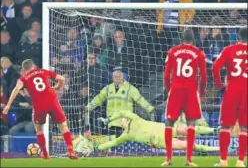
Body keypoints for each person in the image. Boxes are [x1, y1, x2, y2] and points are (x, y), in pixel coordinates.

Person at [2, 59, 78, 160]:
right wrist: (58, 86)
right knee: (63, 126)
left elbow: (16, 89)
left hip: (39, 104)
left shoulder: (23, 78)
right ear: (33, 66)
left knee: (39, 129)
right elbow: (62, 78)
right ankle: (70, 151)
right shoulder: (43, 71)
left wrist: (8, 105)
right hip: (52, 100)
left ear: (24, 69)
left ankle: (45, 153)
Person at [73, 111, 219, 156]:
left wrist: (108, 119)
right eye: (121, 120)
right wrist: (99, 148)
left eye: (123, 119)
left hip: (164, 128)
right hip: (161, 141)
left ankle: (214, 130)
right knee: (188, 145)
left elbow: (122, 112)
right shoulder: (126, 135)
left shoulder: (135, 118)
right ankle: (217, 149)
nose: (123, 119)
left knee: (188, 129)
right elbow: (112, 142)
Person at [163, 29, 207, 166]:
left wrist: (170, 90)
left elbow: (166, 75)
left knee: (169, 123)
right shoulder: (199, 53)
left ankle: (168, 159)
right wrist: (201, 93)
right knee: (191, 124)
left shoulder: (172, 51)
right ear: (193, 39)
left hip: (176, 90)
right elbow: (204, 77)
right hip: (191, 91)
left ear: (181, 38)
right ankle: (189, 160)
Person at [212, 28, 247, 167]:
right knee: (245, 127)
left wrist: (220, 86)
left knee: (225, 126)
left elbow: (215, 67)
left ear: (238, 37)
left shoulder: (229, 49)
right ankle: (240, 161)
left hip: (232, 90)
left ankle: (223, 161)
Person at [86, 70, 154, 136]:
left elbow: (140, 99)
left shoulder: (130, 88)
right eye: (116, 77)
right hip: (111, 123)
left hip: (124, 123)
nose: (118, 79)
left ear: (122, 77)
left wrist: (150, 109)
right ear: (112, 78)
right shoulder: (108, 88)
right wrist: (88, 107)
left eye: (119, 77)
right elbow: (98, 99)